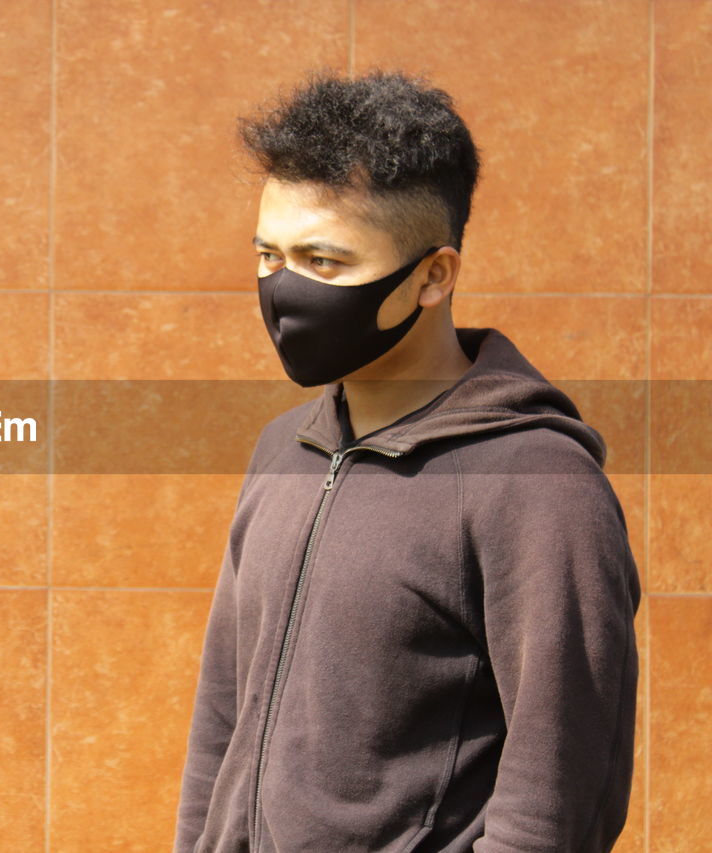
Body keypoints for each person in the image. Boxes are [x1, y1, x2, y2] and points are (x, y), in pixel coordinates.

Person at [172, 68, 641, 853]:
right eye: (268, 255)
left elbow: (559, 797)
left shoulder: (538, 485)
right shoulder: (284, 448)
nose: (285, 290)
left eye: (323, 262)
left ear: (433, 275)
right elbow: (223, 716)